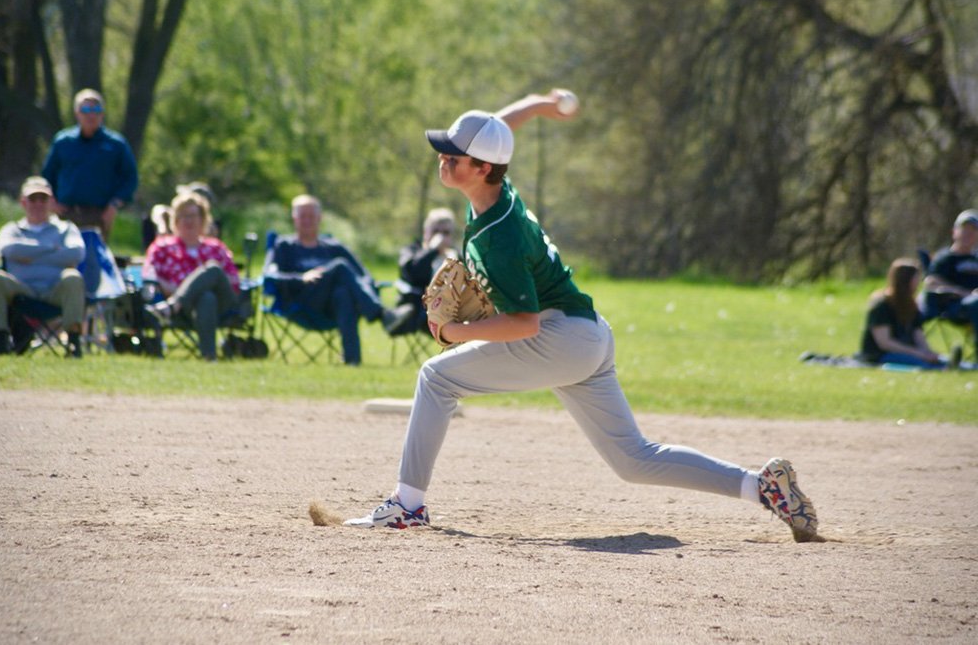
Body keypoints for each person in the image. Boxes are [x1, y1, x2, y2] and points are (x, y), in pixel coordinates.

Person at [344, 90, 820, 543]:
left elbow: (523, 323)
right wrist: (541, 105)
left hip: (555, 338)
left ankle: (408, 505)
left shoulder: (498, 238)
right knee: (634, 459)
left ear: (482, 167)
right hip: (587, 334)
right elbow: (499, 127)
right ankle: (762, 486)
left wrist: (453, 331)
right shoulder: (498, 189)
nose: (442, 158)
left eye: (453, 155)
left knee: (435, 377)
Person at [264, 194, 408, 366]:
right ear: (294, 219)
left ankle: (352, 360)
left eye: (311, 216)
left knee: (343, 294)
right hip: (301, 302)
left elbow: (364, 275)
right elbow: (271, 275)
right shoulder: (284, 246)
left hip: (331, 306)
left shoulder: (333, 247)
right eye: (303, 216)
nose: (307, 221)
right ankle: (382, 315)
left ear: (319, 218)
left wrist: (368, 288)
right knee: (340, 266)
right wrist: (301, 278)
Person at [0, 176, 86, 357]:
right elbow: (9, 249)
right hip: (21, 292)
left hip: (54, 291)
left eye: (43, 199)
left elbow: (76, 253)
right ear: (23, 202)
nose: (38, 204)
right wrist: (52, 250)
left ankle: (73, 342)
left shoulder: (66, 229)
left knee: (72, 277)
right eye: (33, 199)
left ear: (52, 202)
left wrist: (28, 255)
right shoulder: (12, 229)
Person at [142, 191, 240, 361]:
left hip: (223, 304)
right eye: (183, 216)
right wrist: (168, 287)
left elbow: (233, 280)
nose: (188, 220)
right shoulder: (162, 246)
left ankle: (174, 305)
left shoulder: (216, 247)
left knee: (213, 269)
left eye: (193, 215)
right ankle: (209, 357)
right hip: (188, 308)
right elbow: (150, 274)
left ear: (203, 218)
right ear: (175, 220)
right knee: (206, 297)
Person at [41, 88, 138, 242]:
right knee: (64, 259)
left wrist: (114, 205)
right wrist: (51, 202)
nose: (91, 114)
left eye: (96, 109)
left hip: (99, 214)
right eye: (85, 109)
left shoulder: (115, 144)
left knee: (94, 261)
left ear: (102, 113)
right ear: (76, 113)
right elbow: (47, 177)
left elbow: (130, 178)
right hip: (66, 214)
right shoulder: (63, 141)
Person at [858, 258, 945, 369]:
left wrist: (927, 352)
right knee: (925, 366)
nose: (919, 283)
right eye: (916, 279)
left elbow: (918, 335)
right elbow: (884, 342)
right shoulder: (881, 305)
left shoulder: (912, 306)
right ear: (905, 280)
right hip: (881, 355)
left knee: (942, 362)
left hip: (910, 352)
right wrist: (918, 354)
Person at [921, 209, 978, 360]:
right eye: (964, 230)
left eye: (972, 231)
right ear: (954, 232)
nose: (968, 235)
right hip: (954, 306)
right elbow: (930, 282)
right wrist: (962, 292)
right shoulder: (944, 258)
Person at [393, 207, 458, 334]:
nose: (440, 237)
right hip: (421, 312)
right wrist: (432, 250)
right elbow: (412, 272)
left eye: (445, 233)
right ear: (425, 233)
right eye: (435, 231)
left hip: (455, 310)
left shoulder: (456, 255)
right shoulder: (413, 251)